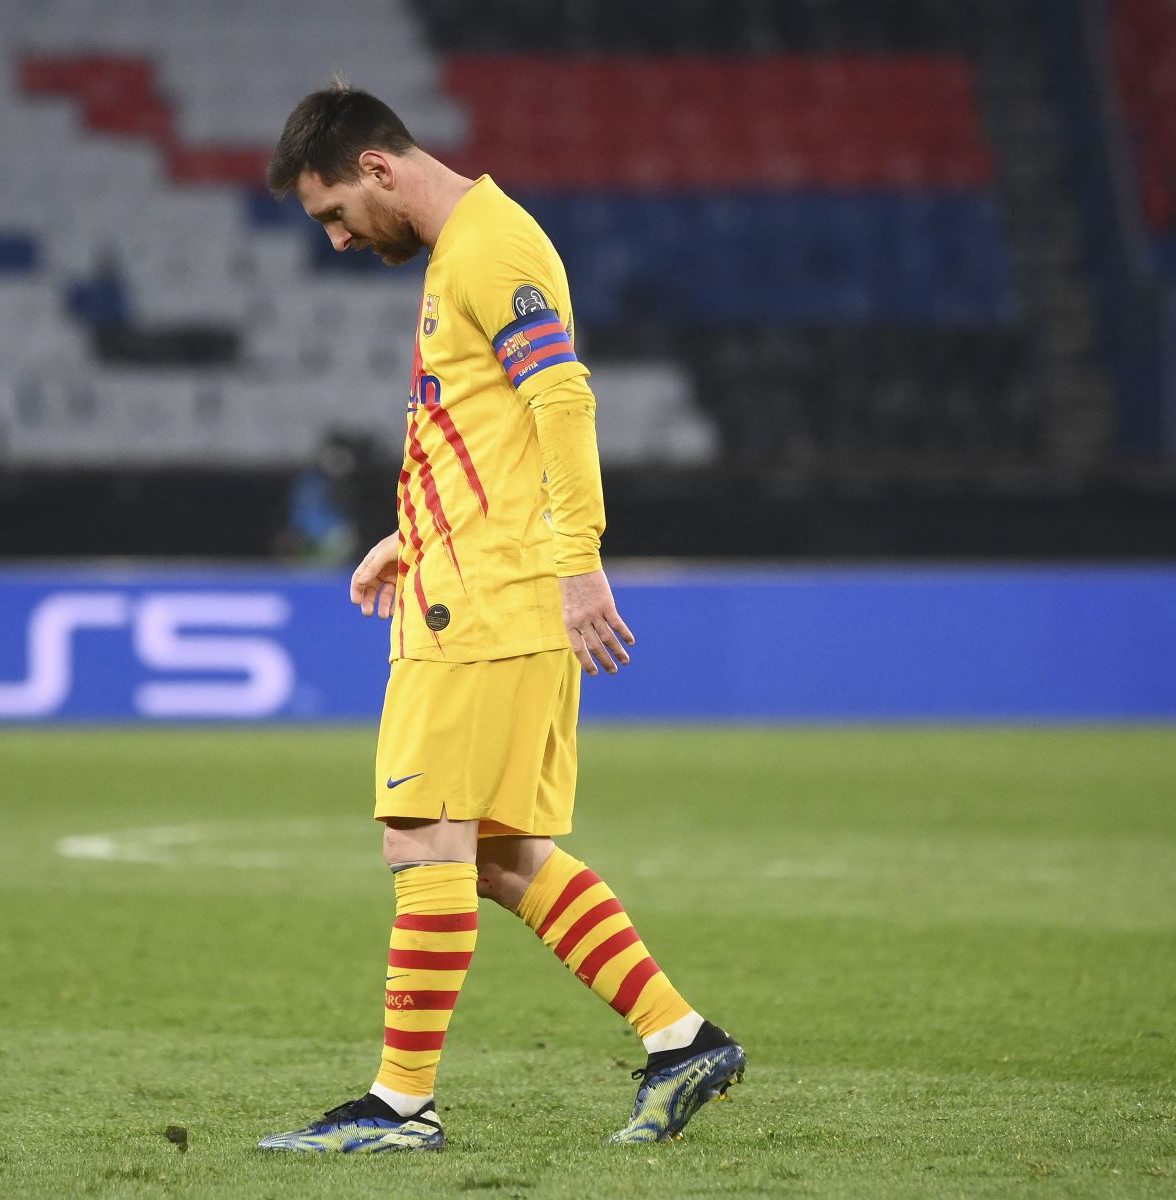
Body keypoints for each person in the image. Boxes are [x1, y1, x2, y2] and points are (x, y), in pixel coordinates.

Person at [256, 83, 743, 1153]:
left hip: (490, 600)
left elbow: (562, 401)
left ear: (378, 168)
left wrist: (581, 564)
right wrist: (410, 530)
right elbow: (478, 426)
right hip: (464, 577)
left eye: (334, 212)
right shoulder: (463, 250)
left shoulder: (490, 248)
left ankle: (398, 1107)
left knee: (421, 834)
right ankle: (680, 1040)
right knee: (496, 851)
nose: (337, 240)